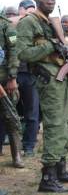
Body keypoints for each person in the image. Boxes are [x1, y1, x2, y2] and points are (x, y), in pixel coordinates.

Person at [16, 0, 68, 192]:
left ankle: (60, 168)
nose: (50, 3)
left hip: (63, 78)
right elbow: (23, 53)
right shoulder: (29, 22)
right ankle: (48, 177)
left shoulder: (53, 23)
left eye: (53, 0)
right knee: (55, 126)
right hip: (48, 80)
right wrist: (51, 45)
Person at [14, 0, 38, 157]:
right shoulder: (11, 24)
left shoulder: (36, 25)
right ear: (20, 9)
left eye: (33, 9)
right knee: (6, 113)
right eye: (28, 9)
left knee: (32, 113)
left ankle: (28, 146)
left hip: (30, 74)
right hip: (13, 74)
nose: (31, 12)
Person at [0, 12, 24, 168]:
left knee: (11, 118)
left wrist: (12, 78)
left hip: (4, 79)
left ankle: (16, 156)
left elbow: (13, 51)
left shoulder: (5, 25)